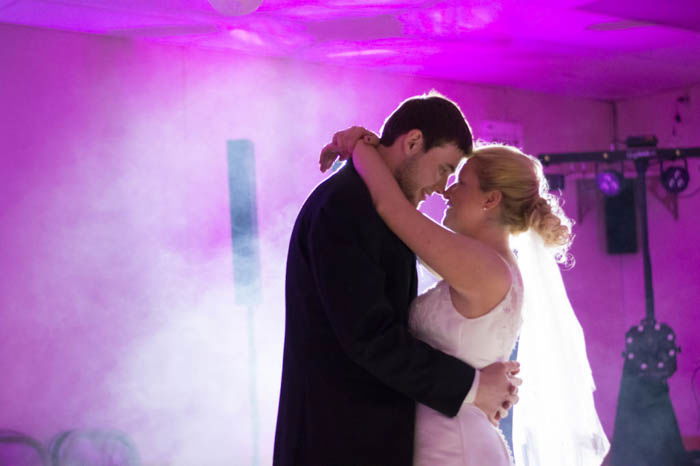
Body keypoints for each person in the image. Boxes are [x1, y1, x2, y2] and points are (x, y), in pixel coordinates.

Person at [319, 127, 610, 465]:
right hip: (449, 434)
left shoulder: (484, 268)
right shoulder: (487, 265)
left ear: (490, 200)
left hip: (452, 445)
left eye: (461, 182)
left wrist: (362, 148)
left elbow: (393, 208)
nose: (447, 190)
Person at [273, 94, 521, 466]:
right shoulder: (345, 206)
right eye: (443, 169)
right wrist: (472, 386)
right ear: (413, 143)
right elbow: (370, 336)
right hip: (339, 441)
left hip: (376, 439)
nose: (442, 188)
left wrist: (362, 148)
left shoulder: (380, 207)